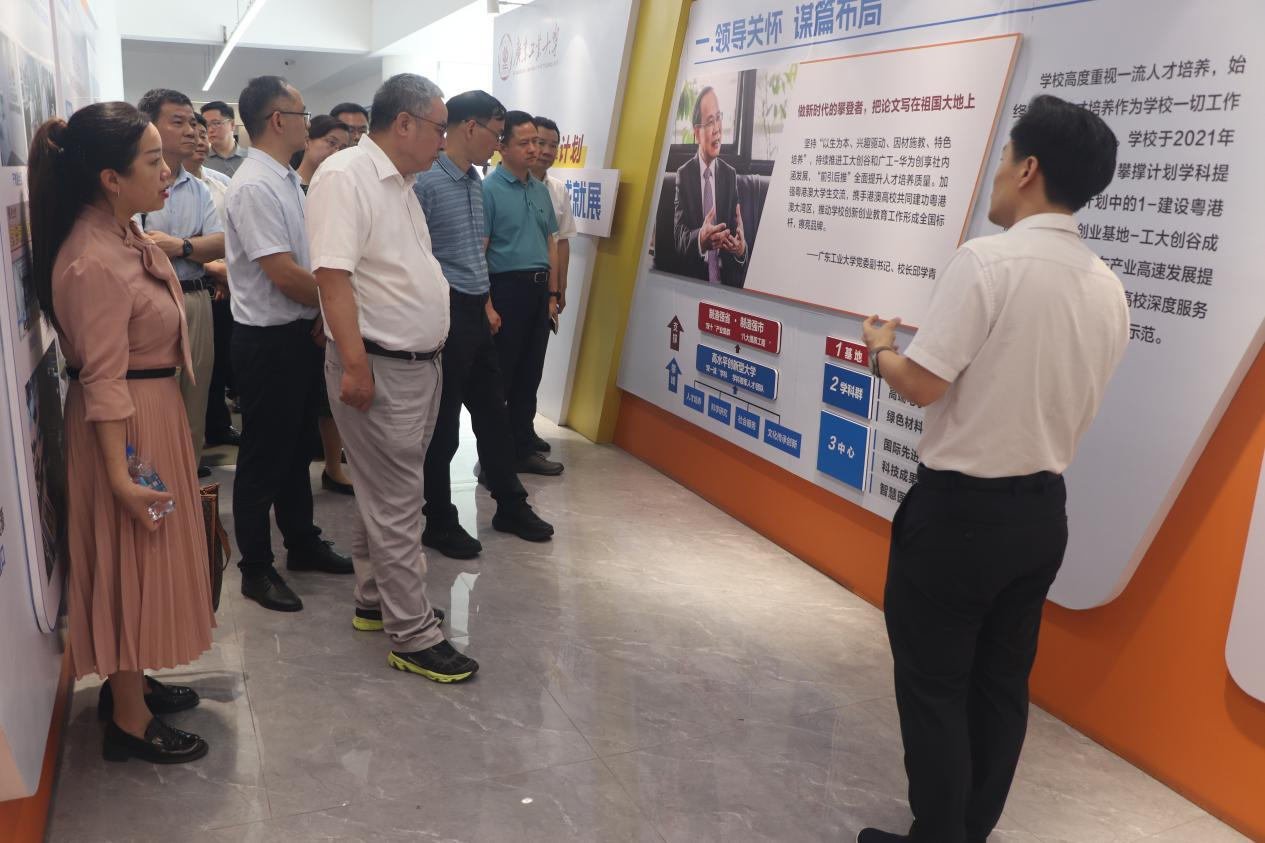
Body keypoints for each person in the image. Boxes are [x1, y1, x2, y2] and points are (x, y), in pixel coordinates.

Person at [855, 95, 1128, 843]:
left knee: (934, 686)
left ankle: (937, 835)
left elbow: (921, 384)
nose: (999, 172)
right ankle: (968, 831)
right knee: (1001, 684)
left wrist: (880, 348)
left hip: (959, 517)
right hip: (1041, 516)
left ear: (1028, 168)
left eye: (1005, 157)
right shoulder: (1107, 286)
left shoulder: (987, 261)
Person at [29, 102, 214, 763]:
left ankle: (131, 681)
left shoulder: (121, 234)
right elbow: (103, 379)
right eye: (154, 161)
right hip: (126, 428)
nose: (167, 171)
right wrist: (118, 476)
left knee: (145, 558)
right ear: (111, 178)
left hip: (150, 412)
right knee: (130, 560)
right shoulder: (91, 260)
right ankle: (129, 720)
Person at [307, 73, 474, 682]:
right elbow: (332, 278)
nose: (443, 140)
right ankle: (413, 634)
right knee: (400, 501)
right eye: (439, 128)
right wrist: (355, 366)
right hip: (378, 365)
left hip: (415, 365)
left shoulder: (401, 182)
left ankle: (376, 600)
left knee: (384, 493)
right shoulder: (346, 177)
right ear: (404, 123)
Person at [224, 75, 353, 613]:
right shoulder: (255, 185)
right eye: (303, 114)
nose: (308, 123)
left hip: (297, 334)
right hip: (268, 341)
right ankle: (255, 567)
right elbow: (281, 272)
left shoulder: (285, 180)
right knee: (263, 456)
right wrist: (334, 304)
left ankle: (301, 541)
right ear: (279, 120)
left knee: (297, 447)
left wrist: (320, 310)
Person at [414, 90, 554, 560]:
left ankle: (510, 504)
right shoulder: (426, 183)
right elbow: (418, 256)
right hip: (446, 312)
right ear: (470, 127)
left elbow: (477, 252)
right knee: (444, 426)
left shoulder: (474, 180)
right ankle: (438, 519)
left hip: (476, 308)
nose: (498, 143)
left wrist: (486, 304)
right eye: (496, 133)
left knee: (494, 413)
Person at [137, 88, 224, 478]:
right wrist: (195, 247)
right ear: (150, 125)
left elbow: (220, 244)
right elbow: (137, 247)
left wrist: (180, 246)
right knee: (153, 403)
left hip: (195, 299)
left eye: (192, 122)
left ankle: (188, 486)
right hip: (151, 300)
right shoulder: (134, 181)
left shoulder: (199, 188)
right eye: (178, 122)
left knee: (195, 400)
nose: (191, 130)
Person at [482, 111, 564, 475]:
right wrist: (486, 305)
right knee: (500, 380)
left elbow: (551, 243)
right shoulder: (488, 190)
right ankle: (494, 461)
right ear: (502, 147)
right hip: (505, 291)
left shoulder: (541, 189)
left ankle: (522, 449)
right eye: (525, 143)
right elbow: (480, 252)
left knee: (530, 375)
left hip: (538, 293)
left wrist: (552, 295)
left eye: (538, 142)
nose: (534, 149)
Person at [291, 114, 355, 494]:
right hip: (298, 302)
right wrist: (319, 303)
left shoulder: (342, 189)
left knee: (332, 399)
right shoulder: (291, 187)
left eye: (343, 147)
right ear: (308, 141)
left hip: (332, 304)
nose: (336, 152)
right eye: (330, 142)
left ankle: (334, 466)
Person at [527, 114, 577, 455]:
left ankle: (524, 429)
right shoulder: (495, 187)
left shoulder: (556, 189)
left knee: (533, 366)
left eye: (553, 145)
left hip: (544, 290)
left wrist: (560, 290)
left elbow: (562, 242)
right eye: (539, 143)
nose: (546, 151)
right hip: (511, 289)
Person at [189, 113, 239, 452]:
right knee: (189, 370)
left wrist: (225, 273)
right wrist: (212, 269)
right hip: (191, 283)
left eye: (202, 134)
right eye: (191, 133)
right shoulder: (158, 186)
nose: (198, 141)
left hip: (225, 285)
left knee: (218, 361)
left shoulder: (221, 183)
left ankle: (217, 426)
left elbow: (233, 236)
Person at [673, 85, 747, 287]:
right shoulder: (684, 175)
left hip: (726, 284)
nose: (717, 129)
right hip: (694, 284)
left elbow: (737, 235)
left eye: (719, 118)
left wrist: (740, 249)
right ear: (697, 133)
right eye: (710, 121)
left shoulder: (729, 175)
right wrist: (700, 240)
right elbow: (679, 239)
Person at [200, 100, 246, 177]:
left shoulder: (250, 158)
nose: (210, 130)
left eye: (216, 123)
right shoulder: (201, 160)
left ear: (232, 124)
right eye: (206, 125)